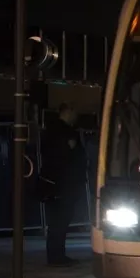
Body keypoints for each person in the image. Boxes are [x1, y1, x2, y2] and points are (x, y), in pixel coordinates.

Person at [40, 103, 88, 266]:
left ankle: (56, 255)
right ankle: (56, 256)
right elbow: (68, 157)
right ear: (68, 111)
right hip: (63, 184)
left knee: (57, 222)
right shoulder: (63, 132)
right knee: (60, 221)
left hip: (57, 184)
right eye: (74, 112)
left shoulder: (51, 130)